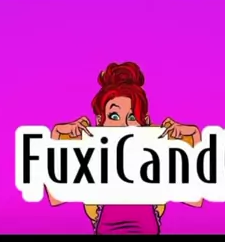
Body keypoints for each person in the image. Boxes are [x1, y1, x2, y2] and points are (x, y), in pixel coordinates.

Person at [47, 62, 202, 234]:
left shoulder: (155, 161)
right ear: (100, 122)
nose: (124, 125)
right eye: (114, 116)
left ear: (145, 122)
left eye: (132, 117)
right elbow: (56, 197)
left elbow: (195, 199)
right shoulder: (93, 161)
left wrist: (194, 134)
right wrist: (57, 133)